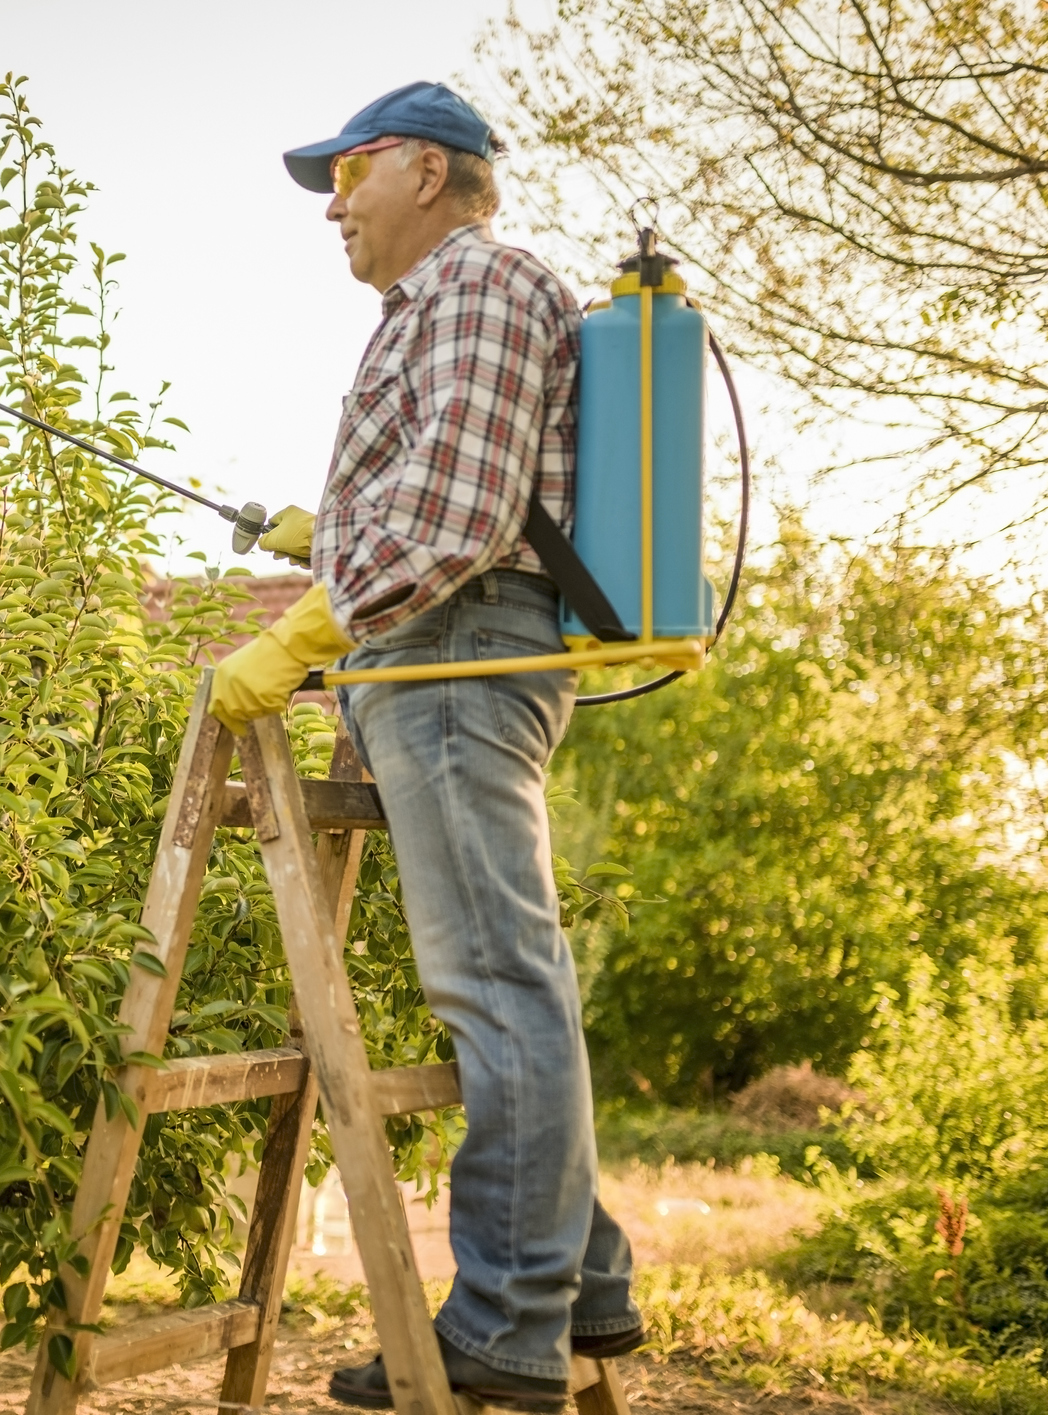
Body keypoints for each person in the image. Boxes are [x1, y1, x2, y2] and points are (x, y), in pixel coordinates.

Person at [207, 83, 645, 1413]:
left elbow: (456, 520)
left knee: (499, 989)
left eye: (349, 174)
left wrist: (305, 628)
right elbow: (450, 489)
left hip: (453, 658)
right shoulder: (438, 307)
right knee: (509, 979)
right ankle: (586, 1278)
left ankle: (508, 1325)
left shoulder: (479, 285)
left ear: (431, 172)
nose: (331, 207)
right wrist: (327, 530)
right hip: (441, 656)